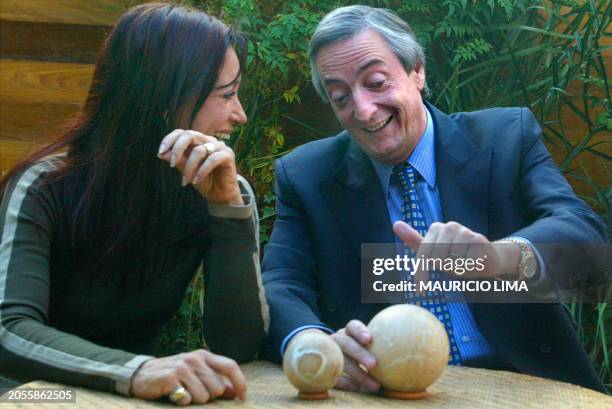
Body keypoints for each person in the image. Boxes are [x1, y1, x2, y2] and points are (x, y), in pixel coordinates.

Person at [262, 5, 607, 393]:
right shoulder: (307, 175)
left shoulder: (506, 138)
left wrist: (499, 258)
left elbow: (591, 246)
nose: (362, 109)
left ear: (417, 72)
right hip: (383, 391)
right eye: (340, 97)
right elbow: (281, 280)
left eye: (375, 82)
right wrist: (314, 341)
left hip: (525, 382)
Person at [0, 3, 269, 405]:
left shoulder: (220, 190)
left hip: (128, 397)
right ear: (166, 96)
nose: (240, 115)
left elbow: (239, 346)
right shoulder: (45, 185)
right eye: (227, 95)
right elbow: (9, 330)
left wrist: (229, 211)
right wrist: (135, 370)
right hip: (27, 393)